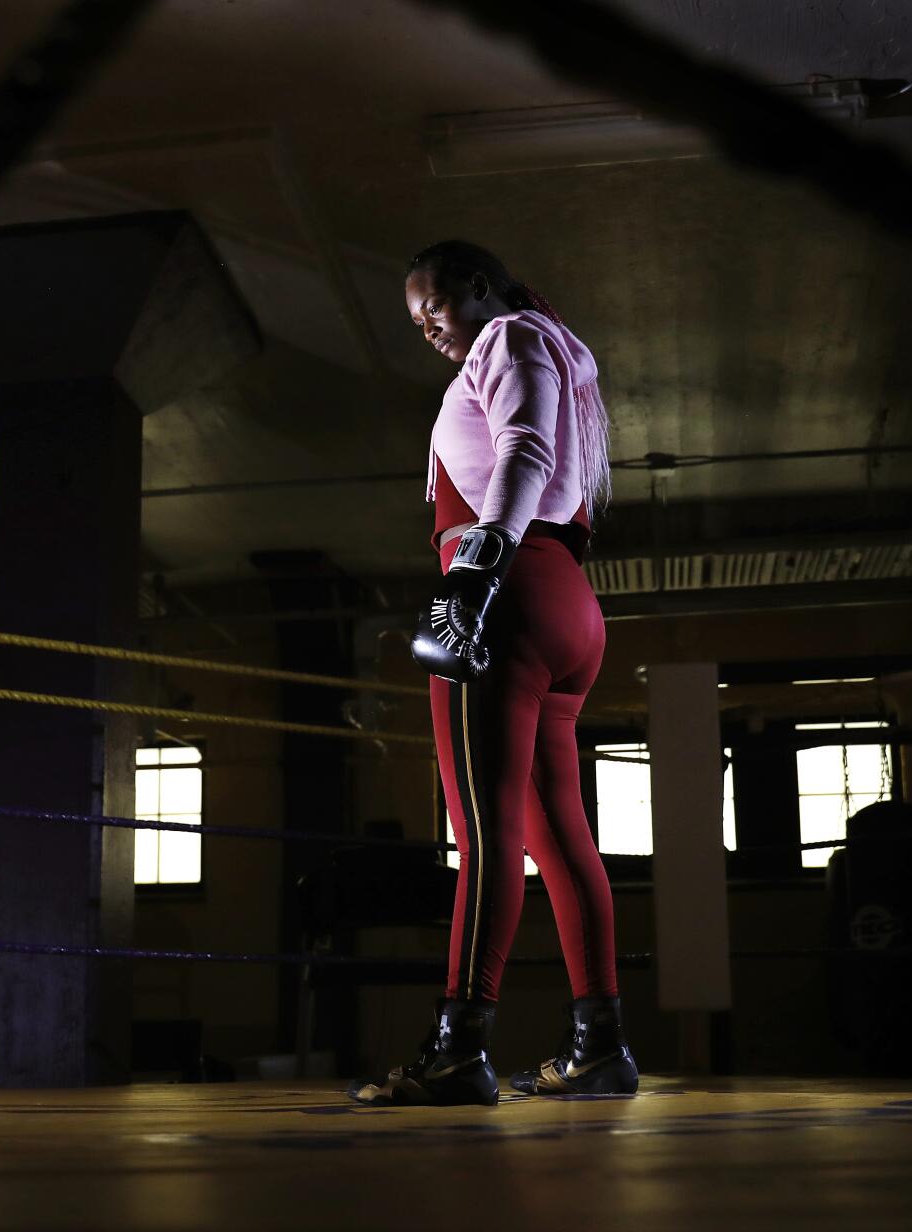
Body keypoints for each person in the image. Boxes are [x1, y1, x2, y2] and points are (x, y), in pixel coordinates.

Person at [348, 241, 637, 1106]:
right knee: (558, 840)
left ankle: (457, 1050)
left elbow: (522, 453)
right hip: (566, 604)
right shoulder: (547, 347)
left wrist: (476, 566)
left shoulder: (509, 338)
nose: (425, 326)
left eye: (430, 304)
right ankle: (600, 1046)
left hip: (507, 594)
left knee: (484, 835)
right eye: (413, 320)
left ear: (475, 284)